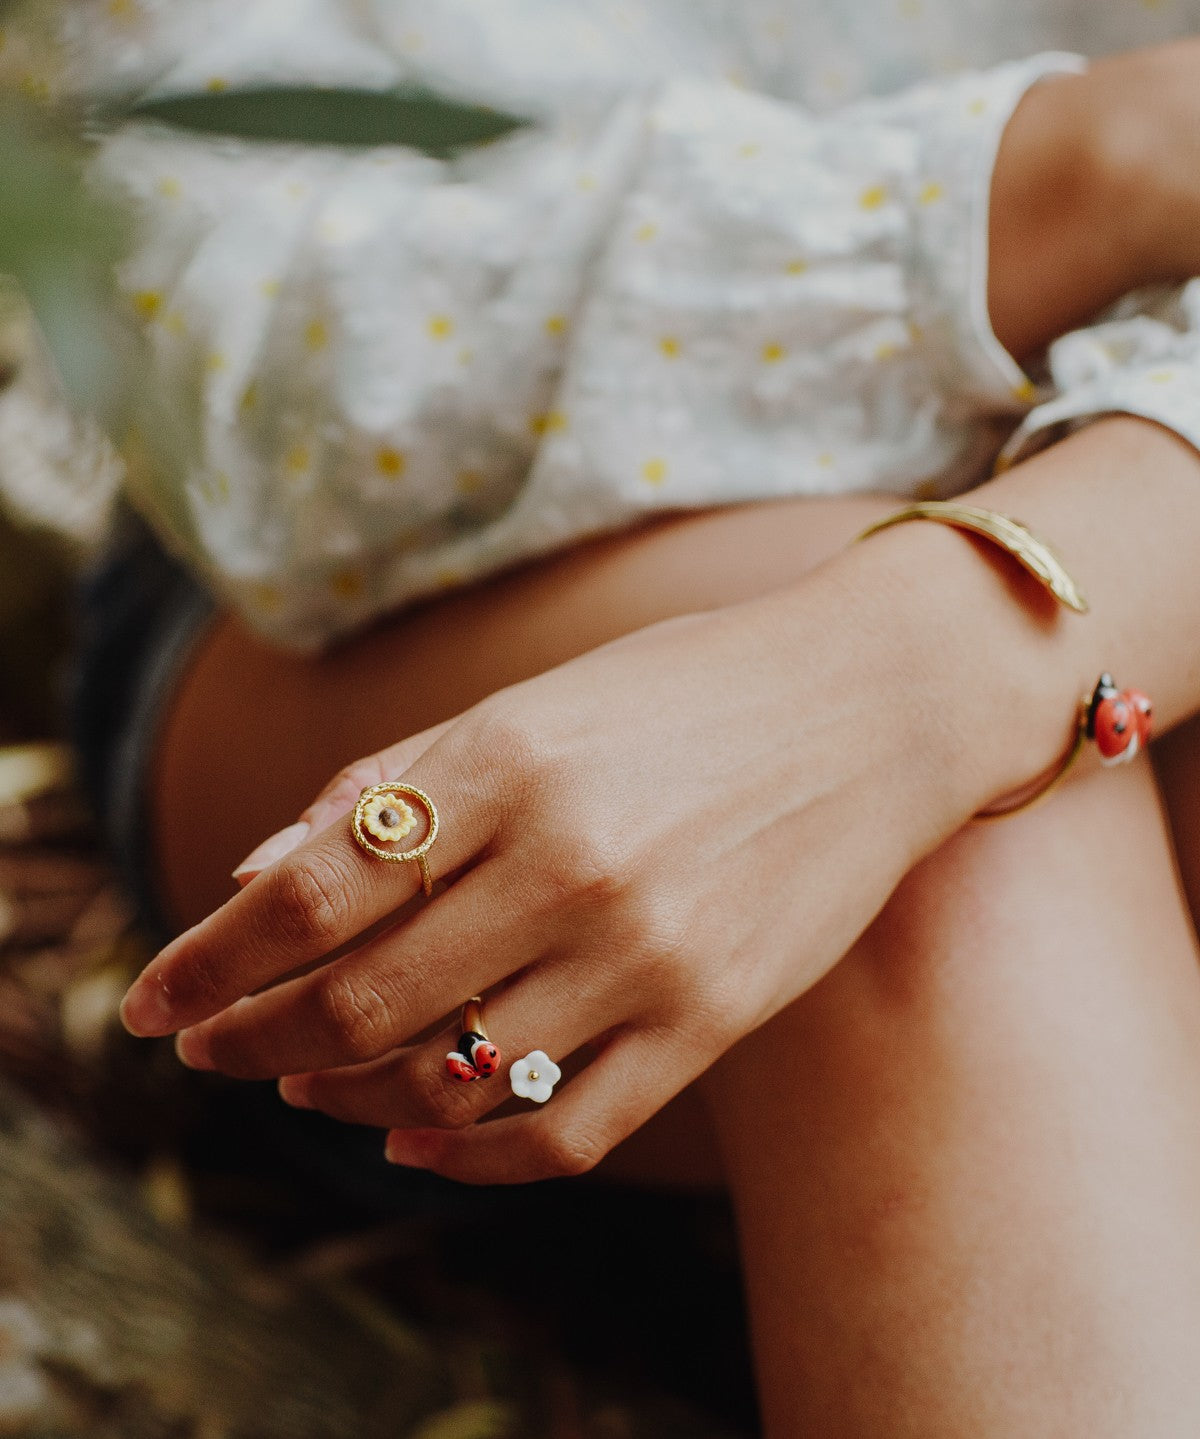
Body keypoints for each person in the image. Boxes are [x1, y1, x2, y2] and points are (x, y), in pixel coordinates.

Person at [6, 4, 1200, 1432]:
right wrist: (1106, 162)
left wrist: (935, 659)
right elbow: (294, 368)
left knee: (930, 770)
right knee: (961, 853)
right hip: (390, 592)